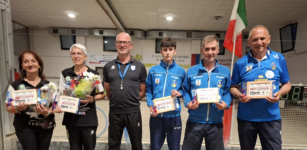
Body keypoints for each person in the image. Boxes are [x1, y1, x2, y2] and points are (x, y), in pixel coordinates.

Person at [230, 25, 291, 150]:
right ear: (249, 42)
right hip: (246, 119)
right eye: (255, 40)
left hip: (271, 118)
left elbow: (287, 84)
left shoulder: (279, 59)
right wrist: (239, 95)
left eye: (262, 39)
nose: (259, 42)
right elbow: (233, 87)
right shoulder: (240, 63)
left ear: (269, 39)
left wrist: (279, 94)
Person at [182, 35, 232, 150]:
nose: (210, 52)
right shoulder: (192, 71)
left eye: (213, 49)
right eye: (207, 49)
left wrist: (225, 104)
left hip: (216, 123)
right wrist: (188, 103)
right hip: (194, 122)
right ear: (202, 50)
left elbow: (227, 92)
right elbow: (185, 91)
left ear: (218, 50)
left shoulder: (225, 71)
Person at [54, 43, 105, 150]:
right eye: (73, 53)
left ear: (85, 57)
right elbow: (62, 94)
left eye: (79, 53)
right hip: (71, 119)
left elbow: (102, 93)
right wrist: (59, 105)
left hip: (89, 119)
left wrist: (93, 99)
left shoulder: (94, 74)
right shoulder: (65, 73)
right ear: (71, 56)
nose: (76, 56)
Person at [103, 32, 147, 150]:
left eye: (125, 42)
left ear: (130, 45)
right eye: (119, 42)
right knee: (113, 145)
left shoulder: (140, 67)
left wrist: (132, 101)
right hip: (114, 112)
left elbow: (143, 90)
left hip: (133, 113)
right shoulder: (108, 66)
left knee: (137, 145)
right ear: (115, 44)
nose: (122, 45)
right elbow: (107, 90)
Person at [6, 50, 55, 150]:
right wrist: (18, 109)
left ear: (39, 64)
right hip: (24, 127)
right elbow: (8, 107)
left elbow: (55, 105)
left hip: (45, 126)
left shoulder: (49, 85)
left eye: (33, 61)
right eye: (26, 61)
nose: (30, 64)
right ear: (22, 66)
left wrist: (47, 112)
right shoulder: (15, 86)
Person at [146, 37, 185, 150]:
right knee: (155, 147)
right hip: (157, 116)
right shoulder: (153, 70)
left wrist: (179, 93)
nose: (168, 52)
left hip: (174, 117)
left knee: (174, 148)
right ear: (161, 52)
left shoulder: (181, 71)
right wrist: (150, 104)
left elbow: (185, 90)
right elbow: (149, 90)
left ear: (175, 51)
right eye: (165, 49)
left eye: (170, 49)